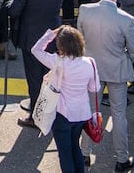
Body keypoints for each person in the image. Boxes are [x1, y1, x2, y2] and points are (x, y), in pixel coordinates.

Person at [77, 0, 134, 172]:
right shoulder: (127, 19)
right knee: (119, 114)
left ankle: (84, 153)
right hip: (116, 70)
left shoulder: (86, 11)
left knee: (90, 112)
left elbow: (80, 39)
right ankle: (121, 158)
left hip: (92, 69)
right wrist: (123, 59)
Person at [32, 26, 99, 173]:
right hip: (81, 114)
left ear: (61, 45)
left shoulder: (57, 62)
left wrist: (52, 33)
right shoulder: (90, 63)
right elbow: (94, 88)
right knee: (75, 146)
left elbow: (36, 50)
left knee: (65, 153)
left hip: (62, 114)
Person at [11, 0, 66, 128]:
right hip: (52, 37)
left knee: (34, 79)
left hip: (31, 38)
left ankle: (36, 115)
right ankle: (52, 110)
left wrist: (14, 0)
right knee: (50, 77)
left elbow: (15, 12)